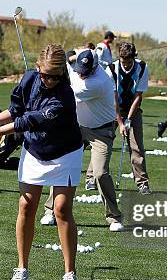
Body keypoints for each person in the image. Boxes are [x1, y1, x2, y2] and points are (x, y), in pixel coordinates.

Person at [0, 44, 84, 280]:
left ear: (62, 73)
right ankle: (22, 268)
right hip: (35, 150)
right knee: (26, 206)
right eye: (45, 74)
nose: (49, 80)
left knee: (61, 209)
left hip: (65, 153)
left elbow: (25, 122)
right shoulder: (30, 78)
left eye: (55, 75)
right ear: (37, 67)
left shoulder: (63, 98)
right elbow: (15, 110)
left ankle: (69, 272)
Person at [40, 49, 124, 231]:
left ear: (95, 68)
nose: (81, 74)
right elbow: (70, 64)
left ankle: (114, 217)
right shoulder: (80, 67)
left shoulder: (98, 83)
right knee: (62, 165)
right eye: (79, 70)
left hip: (101, 131)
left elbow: (66, 90)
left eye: (85, 72)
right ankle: (50, 211)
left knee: (100, 173)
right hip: (77, 127)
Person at [107, 42, 152, 195]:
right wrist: (120, 122)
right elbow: (113, 99)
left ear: (134, 57)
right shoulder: (111, 69)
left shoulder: (142, 68)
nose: (125, 65)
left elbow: (138, 96)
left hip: (133, 108)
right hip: (112, 109)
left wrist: (129, 120)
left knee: (137, 147)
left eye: (128, 62)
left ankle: (142, 183)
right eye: (122, 61)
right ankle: (93, 178)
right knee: (104, 143)